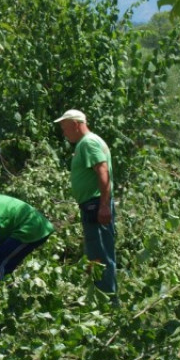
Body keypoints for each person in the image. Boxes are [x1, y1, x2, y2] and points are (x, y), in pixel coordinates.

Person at [55, 109, 118, 297]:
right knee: (96, 253)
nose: (64, 133)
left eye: (65, 128)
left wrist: (104, 205)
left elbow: (103, 171)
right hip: (94, 205)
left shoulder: (88, 143)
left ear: (75, 124)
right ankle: (99, 297)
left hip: (96, 205)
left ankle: (107, 300)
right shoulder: (88, 142)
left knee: (100, 255)